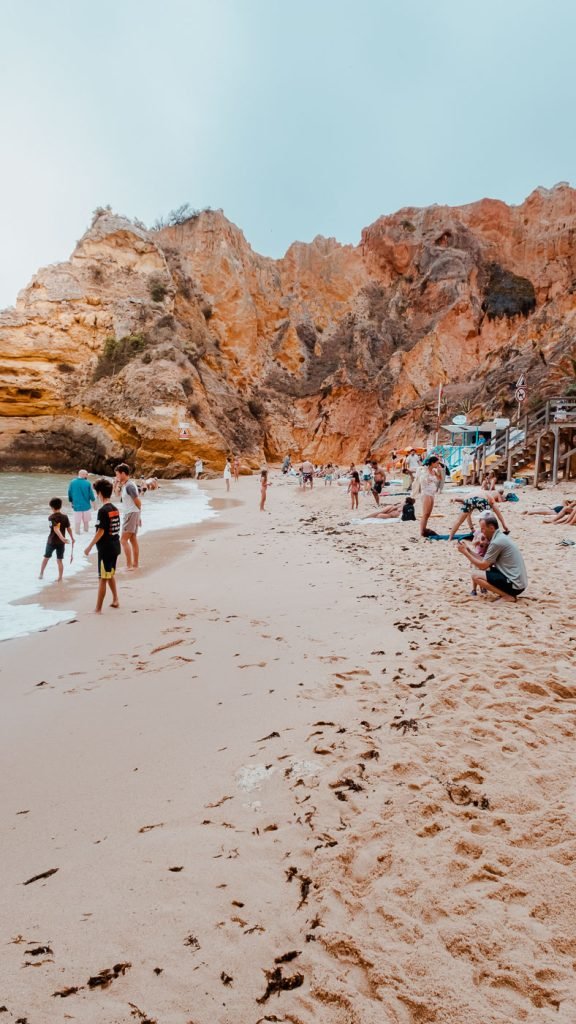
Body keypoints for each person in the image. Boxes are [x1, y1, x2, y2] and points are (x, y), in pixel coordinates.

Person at [457, 513, 528, 602]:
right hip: (517, 581)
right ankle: (506, 594)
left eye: (482, 529)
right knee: (480, 571)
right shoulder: (500, 537)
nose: (481, 531)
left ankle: (507, 596)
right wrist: (469, 551)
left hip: (515, 584)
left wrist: (465, 553)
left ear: (491, 528)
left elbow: (483, 565)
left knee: (475, 576)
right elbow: (484, 561)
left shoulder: (496, 542)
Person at [84, 478, 121, 613]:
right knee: (110, 574)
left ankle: (98, 608)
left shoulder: (103, 511)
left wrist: (89, 547)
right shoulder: (115, 509)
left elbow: (101, 531)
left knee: (102, 578)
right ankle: (115, 599)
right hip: (115, 546)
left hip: (105, 549)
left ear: (99, 493)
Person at [39, 497, 75, 581]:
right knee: (59, 560)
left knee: (46, 558)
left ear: (52, 507)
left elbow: (55, 528)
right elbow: (68, 528)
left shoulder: (51, 517)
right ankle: (60, 577)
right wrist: (72, 538)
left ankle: (41, 573)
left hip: (51, 541)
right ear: (60, 506)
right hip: (61, 543)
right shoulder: (65, 517)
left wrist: (62, 538)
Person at [114, 463, 142, 570]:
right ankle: (135, 564)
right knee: (133, 539)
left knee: (123, 540)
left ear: (123, 473)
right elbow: (116, 495)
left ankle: (129, 565)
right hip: (132, 514)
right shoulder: (126, 485)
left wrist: (138, 516)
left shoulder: (129, 486)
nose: (116, 476)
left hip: (130, 514)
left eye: (117, 474)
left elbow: (138, 502)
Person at [414, 456, 443, 536]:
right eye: (437, 463)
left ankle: (424, 529)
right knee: (425, 513)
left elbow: (439, 478)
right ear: (432, 463)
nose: (438, 464)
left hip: (432, 493)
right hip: (426, 493)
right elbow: (422, 480)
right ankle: (422, 531)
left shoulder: (434, 471)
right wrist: (427, 477)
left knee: (428, 514)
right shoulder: (424, 470)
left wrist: (439, 471)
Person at [67, 470, 96, 534]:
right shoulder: (87, 483)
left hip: (76, 506)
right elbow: (91, 495)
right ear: (82, 474)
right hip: (86, 506)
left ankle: (77, 535)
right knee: (86, 522)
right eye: (86, 474)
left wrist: (71, 502)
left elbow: (69, 493)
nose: (87, 476)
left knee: (77, 522)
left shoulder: (72, 482)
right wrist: (94, 504)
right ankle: (86, 535)